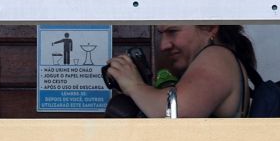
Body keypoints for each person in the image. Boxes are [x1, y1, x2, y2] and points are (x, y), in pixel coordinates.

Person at [106, 25, 264, 120]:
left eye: (173, 32)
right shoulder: (222, 59)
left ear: (210, 28)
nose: (163, 45)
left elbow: (176, 113)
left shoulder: (217, 56)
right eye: (162, 34)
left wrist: (134, 86)